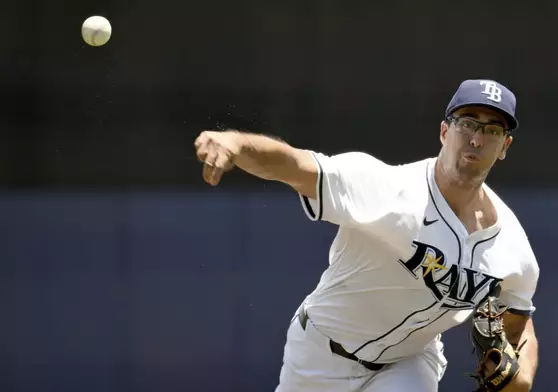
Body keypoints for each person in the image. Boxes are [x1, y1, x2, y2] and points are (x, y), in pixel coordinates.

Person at [194, 79, 540, 392]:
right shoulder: (387, 189)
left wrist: (521, 372)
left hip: (409, 363)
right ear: (444, 132)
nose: (477, 139)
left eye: (492, 130)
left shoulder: (512, 251)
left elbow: (517, 323)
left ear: (505, 145)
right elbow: (294, 165)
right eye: (467, 123)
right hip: (320, 355)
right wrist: (237, 143)